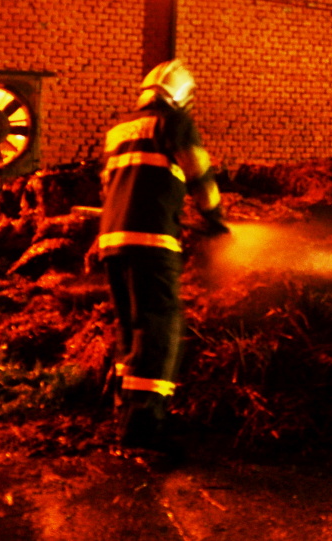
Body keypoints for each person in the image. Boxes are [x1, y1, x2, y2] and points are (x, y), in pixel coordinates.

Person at [97, 59, 229, 452]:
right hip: (152, 244)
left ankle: (125, 417)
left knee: (129, 330)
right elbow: (200, 174)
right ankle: (145, 430)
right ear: (182, 96)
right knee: (158, 332)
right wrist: (214, 218)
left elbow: (111, 186)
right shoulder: (174, 123)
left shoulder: (119, 131)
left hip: (112, 242)